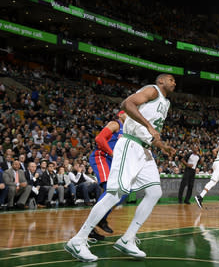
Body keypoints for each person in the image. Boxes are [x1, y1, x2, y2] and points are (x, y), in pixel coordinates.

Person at [65, 74, 176, 262]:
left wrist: (163, 146)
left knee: (154, 192)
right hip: (130, 145)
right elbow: (127, 104)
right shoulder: (152, 90)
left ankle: (127, 238)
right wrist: (148, 126)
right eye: (171, 79)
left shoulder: (165, 104)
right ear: (160, 81)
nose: (174, 82)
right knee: (115, 193)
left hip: (145, 150)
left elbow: (151, 133)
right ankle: (79, 240)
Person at [89, 111, 128, 234]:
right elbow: (99, 138)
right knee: (110, 189)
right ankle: (90, 225)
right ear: (120, 114)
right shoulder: (115, 124)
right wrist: (112, 154)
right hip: (102, 156)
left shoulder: (128, 130)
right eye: (128, 113)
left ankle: (101, 218)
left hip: (113, 160)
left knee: (124, 191)